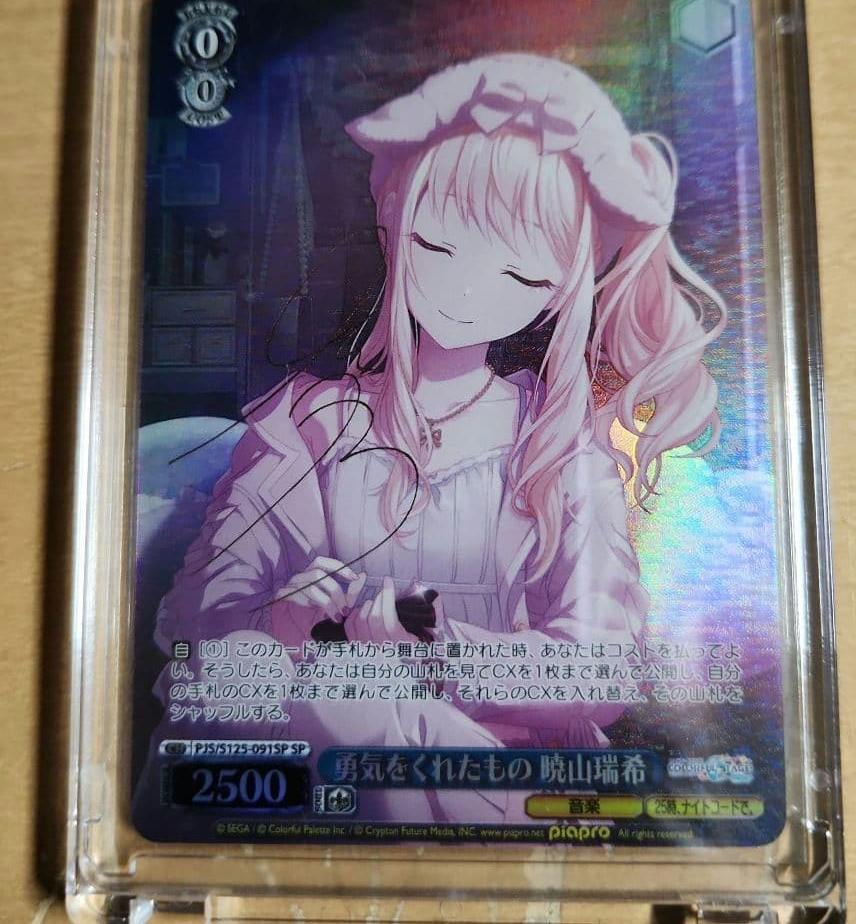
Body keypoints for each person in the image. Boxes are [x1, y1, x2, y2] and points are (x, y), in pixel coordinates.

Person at [151, 52, 725, 823]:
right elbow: (195, 634)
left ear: (558, 290)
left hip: (504, 783)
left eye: (518, 274)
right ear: (392, 227)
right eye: (438, 246)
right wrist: (284, 622)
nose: (465, 287)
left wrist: (435, 646)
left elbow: (603, 667)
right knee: (331, 702)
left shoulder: (559, 452)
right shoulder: (310, 427)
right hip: (323, 768)